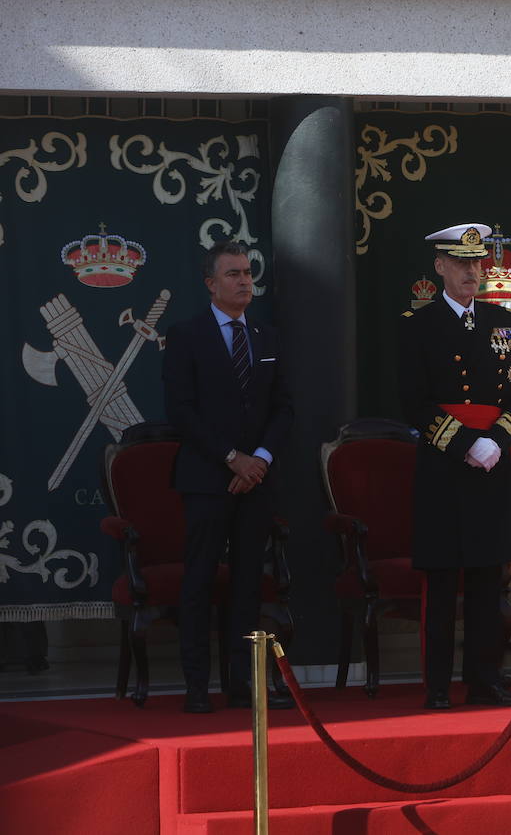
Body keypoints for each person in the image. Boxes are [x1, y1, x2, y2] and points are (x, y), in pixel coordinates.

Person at [398, 223, 511, 709]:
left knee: (485, 578)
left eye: (477, 263)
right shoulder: (418, 324)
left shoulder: (501, 320)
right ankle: (437, 685)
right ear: (440, 267)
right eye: (462, 263)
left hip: (493, 464)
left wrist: (496, 439)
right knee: (442, 580)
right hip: (444, 468)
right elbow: (413, 402)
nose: (472, 271)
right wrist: (463, 445)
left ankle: (485, 678)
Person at [162, 240, 293, 713]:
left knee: (246, 586)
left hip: (255, 480)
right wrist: (231, 458)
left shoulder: (266, 337)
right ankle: (197, 685)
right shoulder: (186, 335)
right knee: (199, 581)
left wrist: (257, 459)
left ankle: (241, 682)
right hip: (206, 479)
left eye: (247, 273)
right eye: (233, 274)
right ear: (210, 284)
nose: (244, 281)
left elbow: (283, 408)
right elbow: (182, 410)